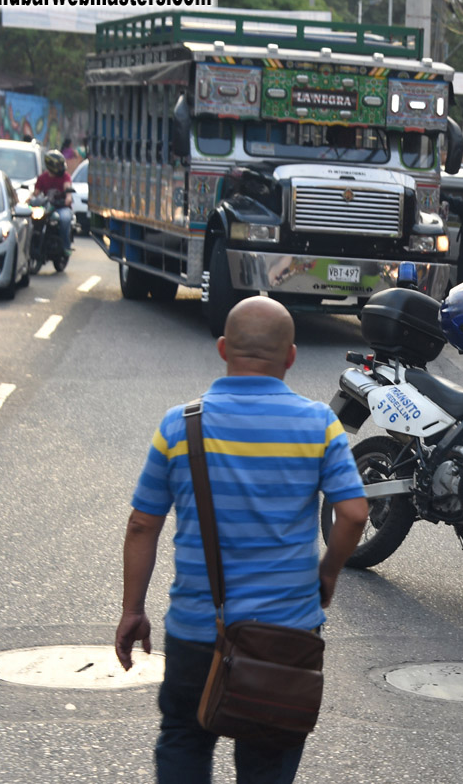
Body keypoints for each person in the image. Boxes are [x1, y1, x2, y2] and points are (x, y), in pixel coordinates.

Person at [115, 296, 369, 783]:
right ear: (291, 357)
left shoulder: (179, 426)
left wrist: (132, 610)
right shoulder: (319, 425)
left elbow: (141, 526)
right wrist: (328, 573)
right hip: (286, 633)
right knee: (268, 758)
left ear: (223, 348)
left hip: (198, 628)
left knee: (185, 739)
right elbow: (354, 514)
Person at [33, 149, 74, 256]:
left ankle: (66, 245)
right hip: (47, 206)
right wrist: (28, 200)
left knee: (64, 219)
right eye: (59, 165)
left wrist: (68, 197)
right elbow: (35, 193)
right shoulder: (42, 178)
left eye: (62, 165)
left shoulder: (65, 176)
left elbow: (67, 187)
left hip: (62, 207)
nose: (62, 168)